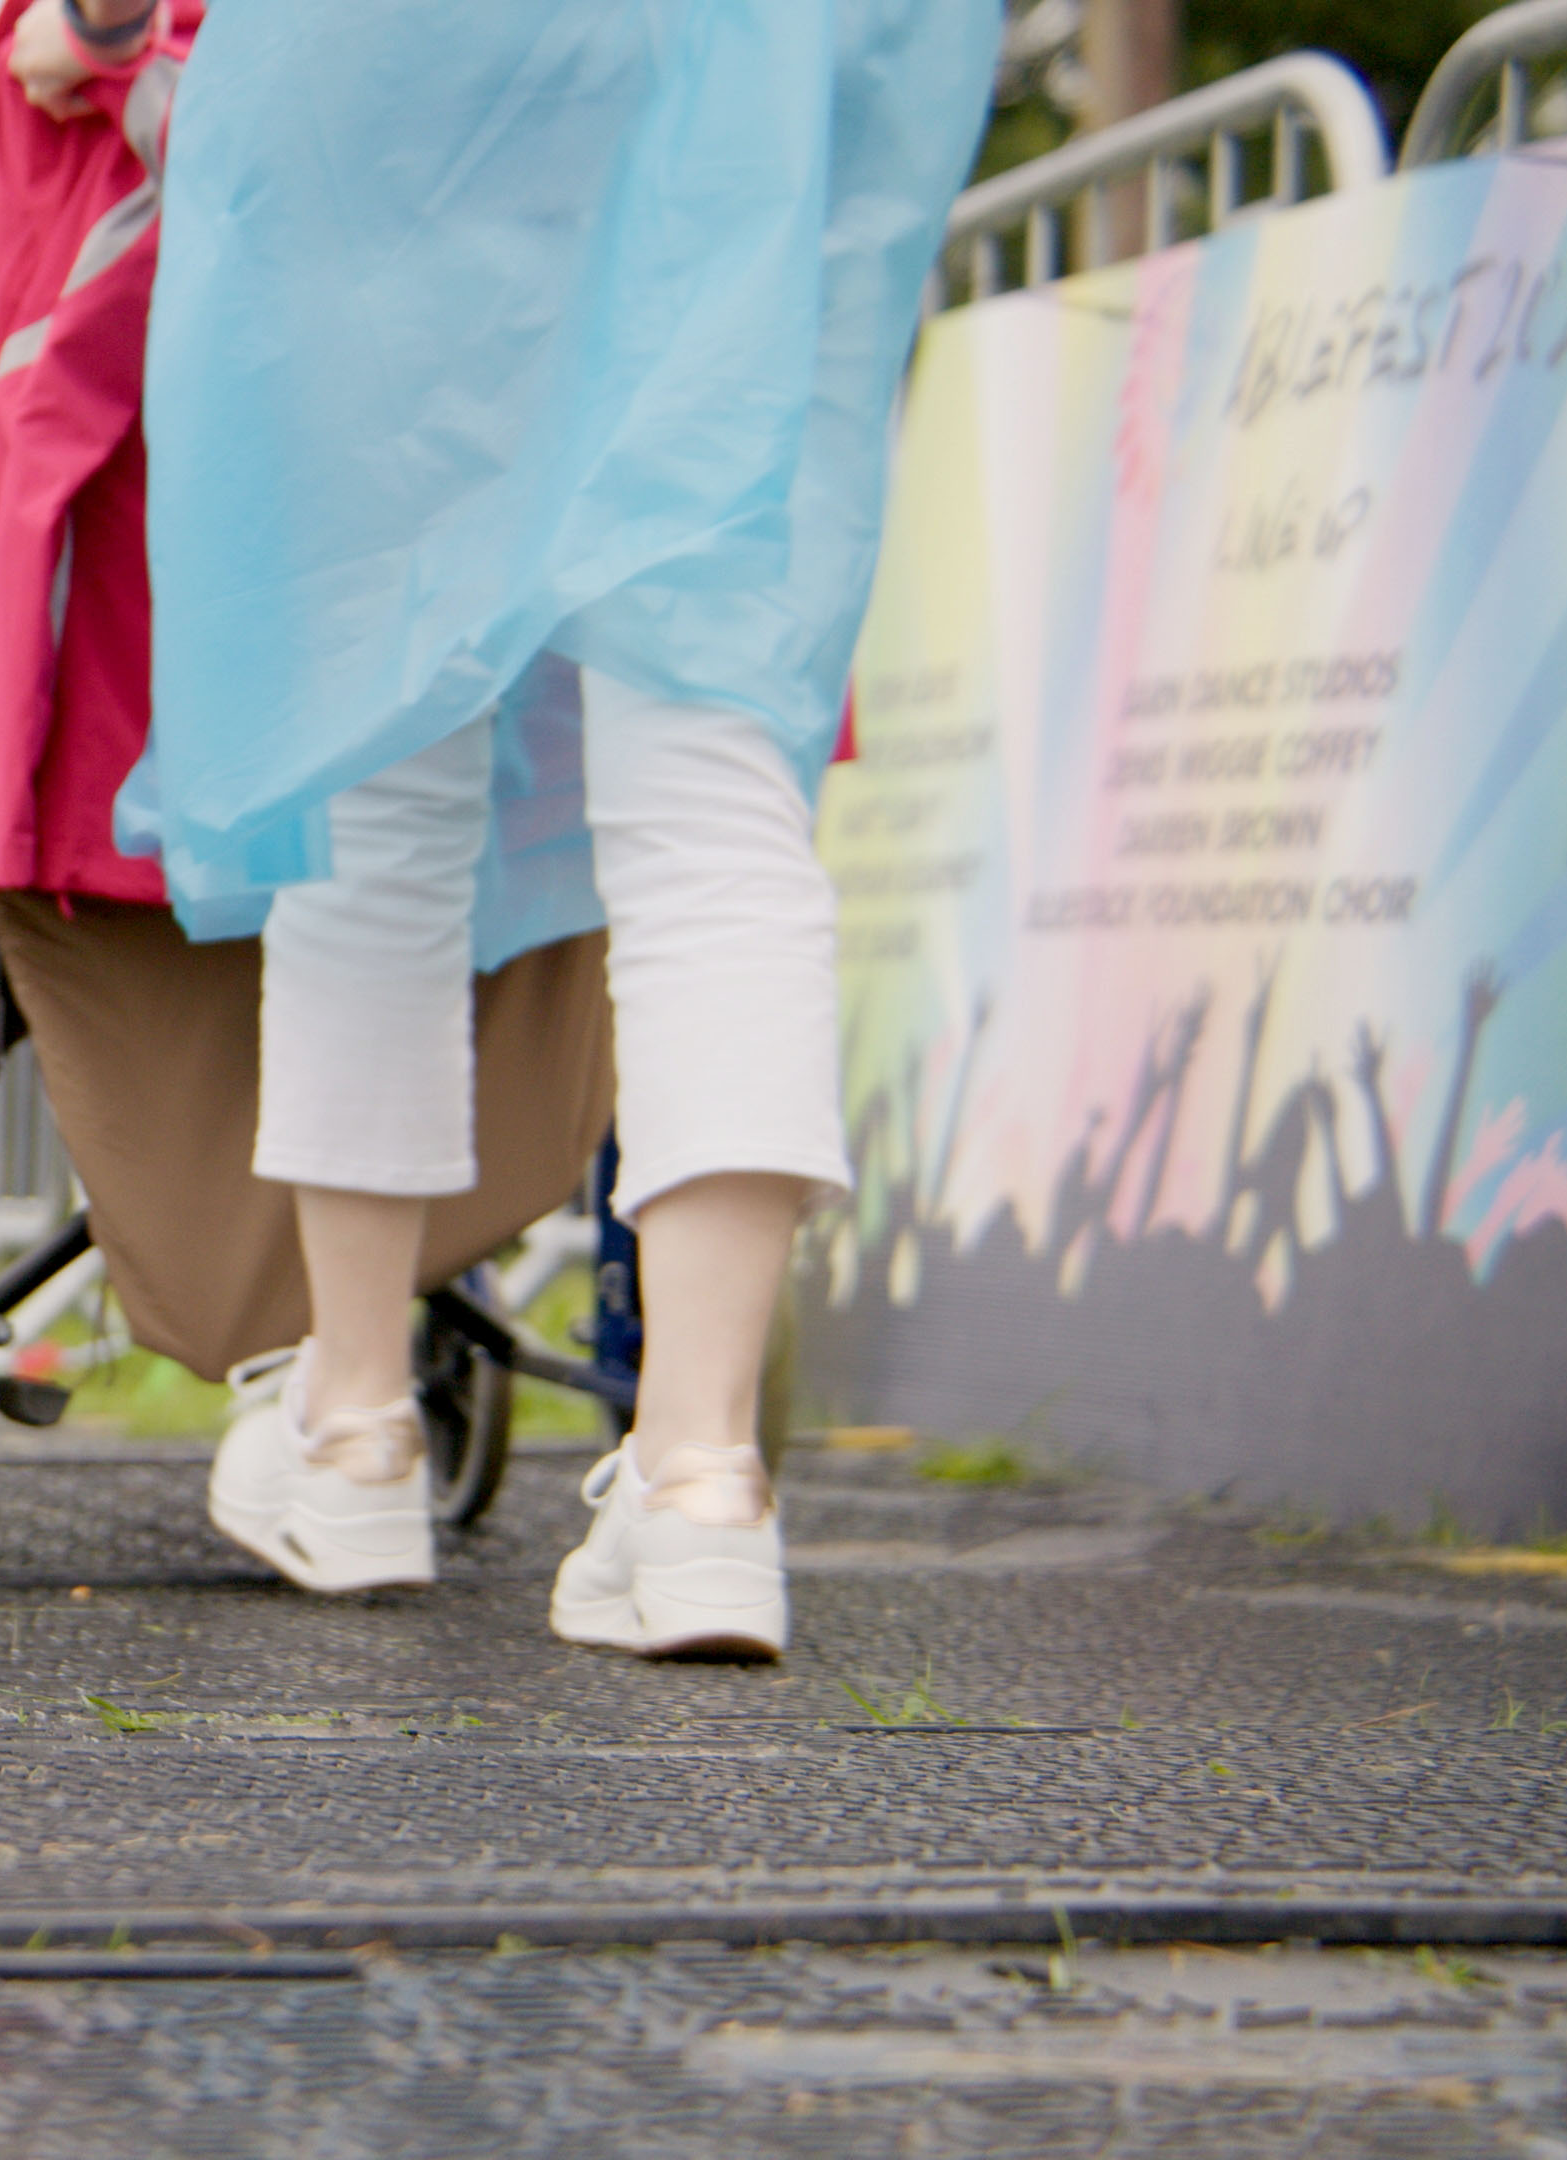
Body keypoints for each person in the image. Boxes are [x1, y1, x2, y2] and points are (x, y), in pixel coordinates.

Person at [120, 0, 996, 1655]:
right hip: (779, 52)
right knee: (717, 753)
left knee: (377, 722)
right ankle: (703, 1481)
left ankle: (358, 1425)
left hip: (402, 80)